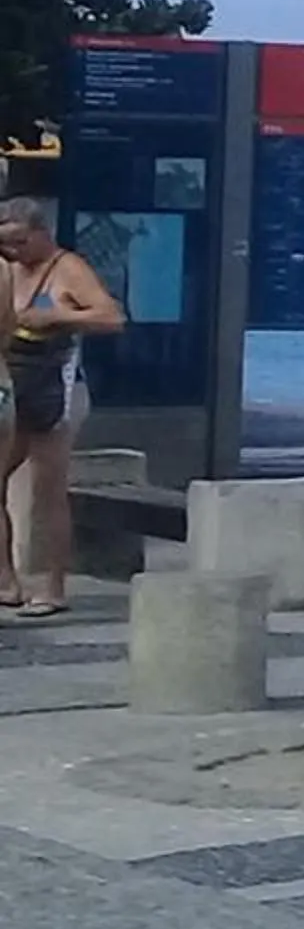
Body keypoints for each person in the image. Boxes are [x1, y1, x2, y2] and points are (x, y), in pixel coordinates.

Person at [0, 197, 123, 619]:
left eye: (18, 242)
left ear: (40, 233)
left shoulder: (68, 269)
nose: (13, 252)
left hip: (58, 382)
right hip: (16, 382)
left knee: (48, 489)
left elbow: (111, 318)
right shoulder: (11, 269)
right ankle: (7, 580)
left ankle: (53, 587)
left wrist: (56, 319)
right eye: (5, 245)